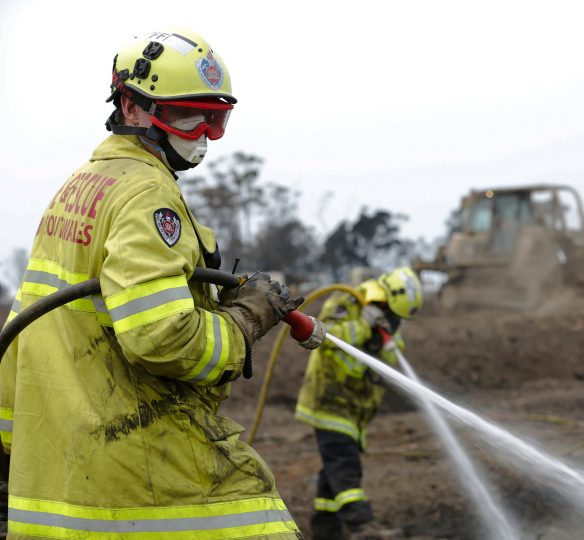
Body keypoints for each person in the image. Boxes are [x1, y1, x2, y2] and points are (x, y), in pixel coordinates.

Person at [0, 29, 323, 539]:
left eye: (214, 119)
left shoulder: (79, 188)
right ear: (130, 105)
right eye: (185, 115)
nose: (201, 135)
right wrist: (245, 319)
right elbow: (161, 335)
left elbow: (26, 333)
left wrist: (10, 459)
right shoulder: (146, 194)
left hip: (57, 486)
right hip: (142, 474)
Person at [295, 267, 423, 539]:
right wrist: (364, 325)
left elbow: (389, 360)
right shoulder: (345, 303)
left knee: (333, 472)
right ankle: (362, 525)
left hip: (354, 407)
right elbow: (325, 338)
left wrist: (386, 341)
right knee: (345, 464)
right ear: (384, 302)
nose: (393, 323)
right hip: (329, 400)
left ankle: (325, 529)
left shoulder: (386, 323)